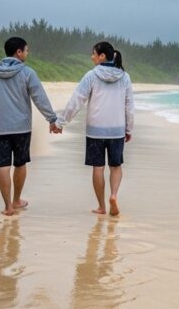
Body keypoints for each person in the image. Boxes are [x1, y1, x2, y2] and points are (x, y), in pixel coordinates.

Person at [0, 36, 62, 216]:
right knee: (20, 163)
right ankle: (17, 200)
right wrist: (52, 119)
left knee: (3, 165)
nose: (27, 53)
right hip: (21, 127)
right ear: (19, 52)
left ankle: (7, 206)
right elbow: (39, 98)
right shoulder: (27, 73)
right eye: (26, 50)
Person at [56, 41, 134, 216]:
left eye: (93, 54)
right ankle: (113, 195)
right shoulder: (125, 77)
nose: (91, 57)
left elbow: (77, 101)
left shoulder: (91, 76)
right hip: (116, 130)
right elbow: (129, 106)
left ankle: (102, 206)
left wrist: (61, 122)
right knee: (115, 166)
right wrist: (129, 129)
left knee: (97, 168)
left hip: (95, 130)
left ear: (102, 56)